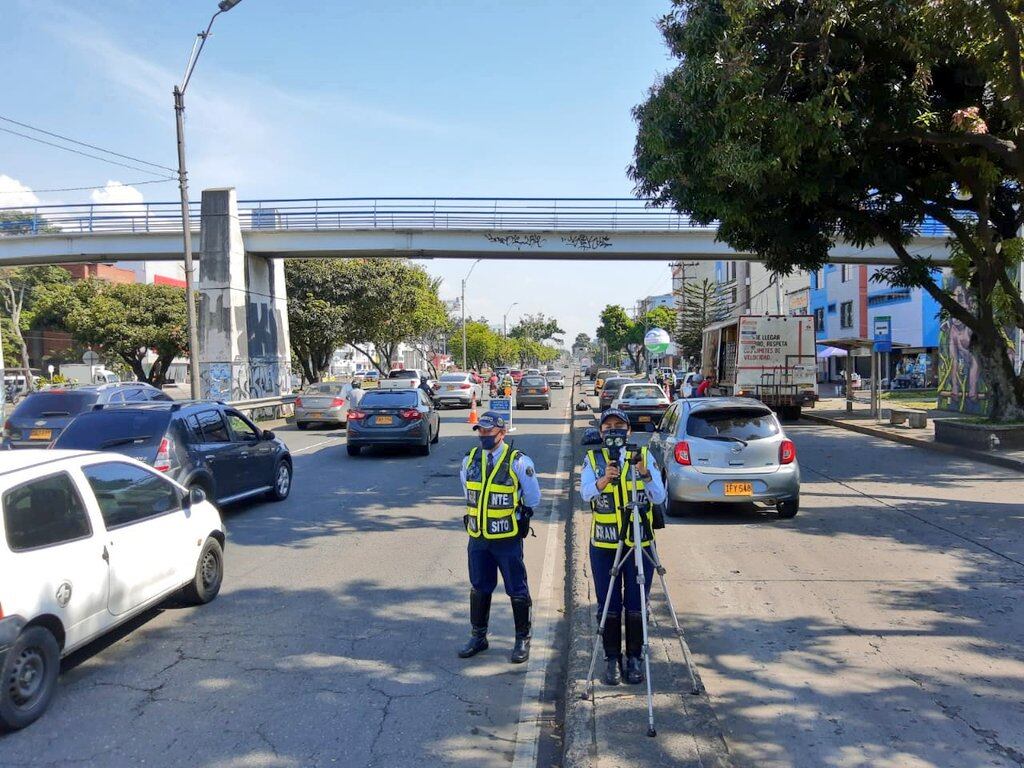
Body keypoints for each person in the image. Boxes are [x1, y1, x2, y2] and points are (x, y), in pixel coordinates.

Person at [579, 409, 667, 686]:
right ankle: (611, 658)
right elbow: (585, 494)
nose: (614, 431)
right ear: (601, 432)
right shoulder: (592, 459)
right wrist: (604, 479)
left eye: (620, 426)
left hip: (639, 544)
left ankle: (635, 658)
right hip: (605, 545)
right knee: (609, 604)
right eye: (608, 427)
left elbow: (659, 496)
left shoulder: (642, 456)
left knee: (636, 603)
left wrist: (643, 472)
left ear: (629, 431)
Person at [458, 411, 542, 663]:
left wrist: (517, 516)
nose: (483, 436)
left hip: (507, 539)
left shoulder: (519, 462)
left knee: (516, 588)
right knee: (479, 587)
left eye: (488, 432)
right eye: (480, 431)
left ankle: (522, 638)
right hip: (478, 537)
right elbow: (468, 492)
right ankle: (479, 636)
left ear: (502, 434)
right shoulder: (470, 460)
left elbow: (533, 498)